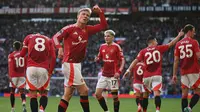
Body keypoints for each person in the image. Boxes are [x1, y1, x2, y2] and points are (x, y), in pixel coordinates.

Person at [52, 5, 108, 112]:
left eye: (88, 15)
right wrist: (59, 48)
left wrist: (100, 12)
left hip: (77, 64)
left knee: (67, 95)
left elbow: (103, 26)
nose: (86, 16)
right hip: (70, 63)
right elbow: (55, 37)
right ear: (78, 16)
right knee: (84, 90)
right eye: (83, 14)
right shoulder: (69, 28)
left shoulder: (87, 29)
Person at [123, 30, 184, 112]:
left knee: (145, 96)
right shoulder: (158, 48)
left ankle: (144, 110)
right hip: (157, 75)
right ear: (152, 42)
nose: (157, 42)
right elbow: (171, 44)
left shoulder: (143, 51)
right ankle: (157, 110)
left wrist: (128, 69)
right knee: (157, 94)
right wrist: (179, 36)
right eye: (156, 41)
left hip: (146, 76)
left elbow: (135, 61)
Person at [20, 33, 56, 112]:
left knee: (33, 95)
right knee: (44, 93)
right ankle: (42, 110)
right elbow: (53, 57)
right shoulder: (49, 40)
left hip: (31, 68)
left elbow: (22, 55)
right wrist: (50, 71)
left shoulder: (28, 37)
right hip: (44, 69)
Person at [94, 30, 125, 112]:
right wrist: (97, 59)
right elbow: (99, 58)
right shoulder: (102, 47)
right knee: (97, 94)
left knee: (115, 97)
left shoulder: (116, 47)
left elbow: (122, 60)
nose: (106, 38)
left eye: (108, 36)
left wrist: (119, 71)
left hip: (113, 76)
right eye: (105, 36)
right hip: (104, 75)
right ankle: (106, 110)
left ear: (112, 37)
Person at [172, 24, 200, 112]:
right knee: (198, 92)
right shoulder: (194, 42)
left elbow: (176, 60)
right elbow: (199, 57)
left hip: (183, 72)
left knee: (184, 95)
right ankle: (189, 108)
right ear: (189, 31)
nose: (194, 33)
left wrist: (174, 74)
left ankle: (184, 110)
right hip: (194, 70)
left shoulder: (178, 44)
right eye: (193, 31)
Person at [8, 41, 27, 112]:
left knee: (12, 92)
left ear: (14, 47)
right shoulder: (24, 55)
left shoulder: (11, 55)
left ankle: (12, 109)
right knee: (22, 92)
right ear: (20, 47)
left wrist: (10, 76)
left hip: (14, 76)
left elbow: (11, 66)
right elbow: (25, 66)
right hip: (22, 75)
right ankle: (24, 105)